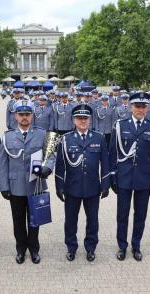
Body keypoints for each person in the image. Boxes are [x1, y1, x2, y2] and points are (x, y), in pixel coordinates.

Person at [0, 100, 55, 264]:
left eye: (27, 114)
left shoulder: (41, 133)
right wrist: (4, 186)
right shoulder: (7, 136)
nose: (24, 117)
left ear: (32, 116)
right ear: (15, 116)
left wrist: (48, 168)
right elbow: (3, 164)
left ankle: (34, 249)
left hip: (35, 184)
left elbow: (51, 155)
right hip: (15, 186)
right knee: (18, 221)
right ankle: (21, 249)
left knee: (35, 220)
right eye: (21, 114)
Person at [109, 92, 150, 261]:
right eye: (137, 106)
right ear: (130, 107)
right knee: (122, 215)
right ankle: (122, 246)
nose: (140, 109)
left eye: (143, 106)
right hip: (124, 177)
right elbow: (113, 153)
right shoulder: (119, 125)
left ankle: (136, 245)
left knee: (140, 215)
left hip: (144, 178)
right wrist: (113, 175)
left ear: (147, 108)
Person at [55, 104, 110, 262]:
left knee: (92, 221)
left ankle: (91, 248)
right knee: (70, 221)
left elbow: (105, 163)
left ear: (90, 120)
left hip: (93, 188)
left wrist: (105, 184)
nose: (82, 121)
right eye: (79, 118)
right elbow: (60, 165)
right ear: (73, 120)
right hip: (72, 188)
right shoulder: (65, 139)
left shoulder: (99, 138)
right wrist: (59, 187)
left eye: (85, 118)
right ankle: (71, 247)